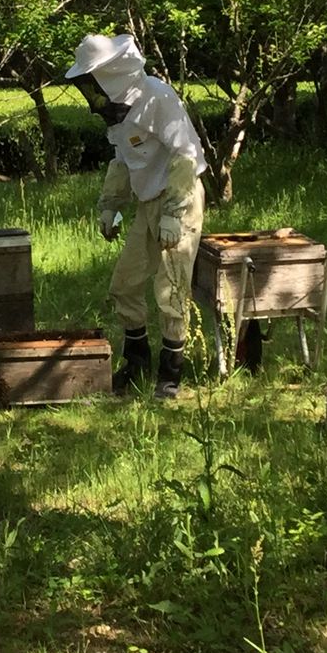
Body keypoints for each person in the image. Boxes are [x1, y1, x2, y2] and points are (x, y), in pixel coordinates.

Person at [66, 33, 207, 399]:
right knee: (124, 283)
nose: (91, 92)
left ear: (111, 75)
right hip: (148, 204)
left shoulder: (156, 97)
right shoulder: (119, 111)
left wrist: (174, 214)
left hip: (181, 199)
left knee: (170, 287)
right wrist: (110, 205)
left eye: (92, 82)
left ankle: (170, 375)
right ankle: (136, 362)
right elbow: (123, 161)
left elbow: (185, 155)